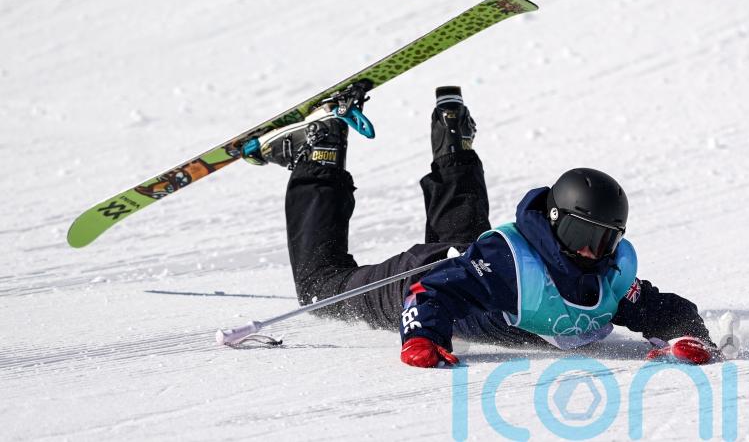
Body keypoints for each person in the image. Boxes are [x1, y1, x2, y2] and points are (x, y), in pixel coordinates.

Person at [245, 86, 719, 368]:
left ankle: (453, 136)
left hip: (468, 257)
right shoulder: (506, 266)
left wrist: (688, 335)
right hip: (424, 275)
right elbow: (431, 291)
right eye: (583, 237)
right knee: (320, 288)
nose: (593, 253)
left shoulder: (607, 278)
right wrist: (424, 337)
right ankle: (319, 154)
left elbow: (657, 307)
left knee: (463, 239)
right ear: (556, 222)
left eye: (606, 240)